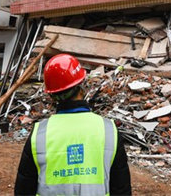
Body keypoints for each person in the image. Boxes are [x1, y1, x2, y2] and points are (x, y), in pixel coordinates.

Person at [14, 53, 131, 196]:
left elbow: (23, 190)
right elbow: (121, 189)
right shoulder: (108, 130)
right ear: (82, 86)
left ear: (52, 96)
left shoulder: (39, 134)